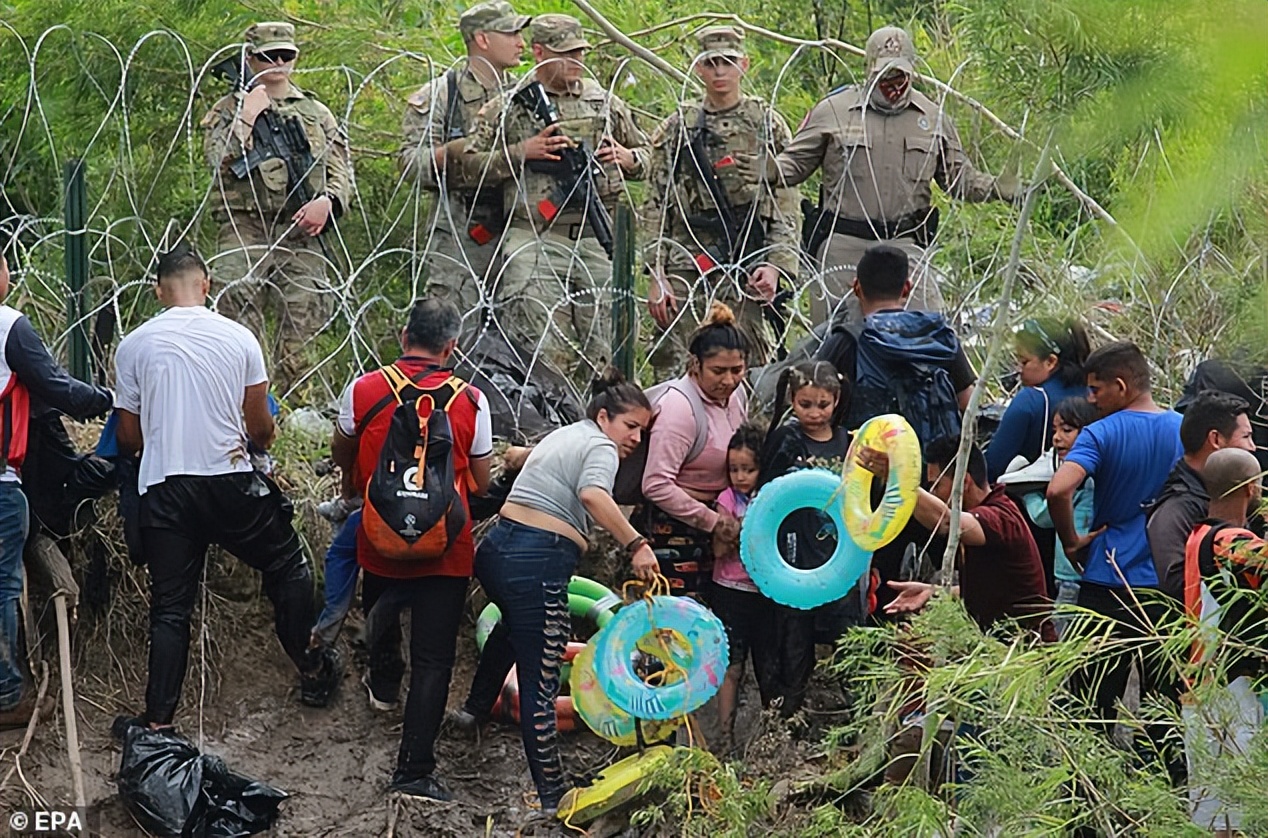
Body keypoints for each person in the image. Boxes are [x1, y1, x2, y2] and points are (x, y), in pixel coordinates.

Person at [112, 245, 339, 729]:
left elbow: (128, 437)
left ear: (158, 292)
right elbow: (259, 430)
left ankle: (157, 723)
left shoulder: (133, 344)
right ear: (207, 284)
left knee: (171, 609)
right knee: (286, 564)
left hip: (166, 489)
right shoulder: (240, 338)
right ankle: (311, 665)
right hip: (231, 480)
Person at [452, 370, 657, 814]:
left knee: (510, 632)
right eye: (631, 426)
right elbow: (593, 496)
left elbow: (513, 455)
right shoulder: (601, 446)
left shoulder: (568, 434)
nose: (637, 437)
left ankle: (471, 712)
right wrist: (637, 544)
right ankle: (552, 797)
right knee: (541, 677)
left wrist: (528, 454)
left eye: (643, 429)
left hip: (498, 551)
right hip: (535, 561)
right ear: (604, 417)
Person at [744, 26, 1017, 326]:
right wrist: (772, 170)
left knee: (926, 332)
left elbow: (958, 179)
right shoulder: (834, 112)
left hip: (904, 245)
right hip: (844, 245)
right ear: (868, 69)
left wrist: (997, 188)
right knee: (836, 341)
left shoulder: (932, 119)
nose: (893, 83)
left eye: (900, 74)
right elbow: (795, 166)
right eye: (885, 73)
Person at [330, 297, 492, 801]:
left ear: (404, 336)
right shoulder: (472, 400)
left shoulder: (364, 389)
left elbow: (343, 449)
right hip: (445, 547)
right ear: (452, 347)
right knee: (435, 660)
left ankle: (382, 687)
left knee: (380, 606)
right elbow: (482, 482)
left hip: (380, 535)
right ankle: (414, 770)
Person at [460, 14, 648, 385]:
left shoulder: (602, 102)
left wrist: (630, 158)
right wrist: (521, 152)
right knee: (539, 345)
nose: (576, 61)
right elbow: (466, 167)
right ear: (539, 53)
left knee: (610, 342)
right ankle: (543, 426)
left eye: (579, 52)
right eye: (566, 54)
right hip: (534, 235)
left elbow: (651, 153)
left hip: (595, 236)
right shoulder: (507, 106)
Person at [1046, 341, 1184, 769]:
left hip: (1107, 584)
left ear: (1121, 386)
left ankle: (1086, 815)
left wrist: (1072, 539)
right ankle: (1164, 808)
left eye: (1095, 389)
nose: (1091, 399)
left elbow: (1057, 488)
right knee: (1165, 709)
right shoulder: (1184, 429)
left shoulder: (1101, 433)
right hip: (1166, 586)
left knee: (1091, 708)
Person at [815, 245, 975, 614]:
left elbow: (819, 405)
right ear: (908, 287)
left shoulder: (846, 341)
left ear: (856, 287)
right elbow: (968, 399)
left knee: (880, 584)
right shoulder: (939, 336)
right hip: (938, 482)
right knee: (953, 576)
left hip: (874, 485)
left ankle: (883, 650)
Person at [202, 21, 353, 397]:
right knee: (237, 320)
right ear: (250, 58)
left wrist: (328, 202)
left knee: (302, 323)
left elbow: (343, 172)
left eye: (287, 55)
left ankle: (299, 407)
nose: (279, 63)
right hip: (245, 226)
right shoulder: (227, 110)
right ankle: (242, 406)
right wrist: (247, 116)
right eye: (270, 56)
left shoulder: (316, 113)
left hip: (301, 230)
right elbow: (217, 160)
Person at [641, 26, 799, 379]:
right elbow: (656, 202)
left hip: (746, 254)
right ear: (699, 69)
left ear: (743, 64)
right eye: (711, 63)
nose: (719, 72)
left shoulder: (766, 125)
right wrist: (657, 273)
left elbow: (786, 202)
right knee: (677, 360)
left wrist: (776, 265)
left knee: (747, 360)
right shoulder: (678, 127)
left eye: (727, 62)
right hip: (687, 255)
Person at [0, 244, 113, 728]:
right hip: (2, 481)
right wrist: (110, 399)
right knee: (4, 583)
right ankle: (8, 696)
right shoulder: (8, 325)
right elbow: (56, 385)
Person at [398, 1, 531, 321]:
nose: (521, 43)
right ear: (482, 39)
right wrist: (452, 154)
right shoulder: (442, 94)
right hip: (459, 234)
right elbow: (409, 162)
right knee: (457, 331)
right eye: (511, 33)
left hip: (517, 230)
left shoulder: (524, 96)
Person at [1180, 447, 1268, 836]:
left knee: (1218, 810)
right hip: (1227, 688)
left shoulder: (1198, 535)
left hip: (1202, 683)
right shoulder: (1226, 540)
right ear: (1251, 489)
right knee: (1236, 806)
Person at [758, 361, 852, 716]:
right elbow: (765, 496)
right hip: (793, 556)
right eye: (805, 404)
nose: (814, 413)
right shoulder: (786, 439)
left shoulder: (848, 442)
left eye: (823, 404)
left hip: (838, 557)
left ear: (837, 399)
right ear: (792, 401)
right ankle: (787, 719)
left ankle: (855, 718)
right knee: (793, 642)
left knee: (847, 637)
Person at [883, 436, 1050, 634]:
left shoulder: (1000, 517)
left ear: (964, 482)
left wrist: (900, 481)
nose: (933, 493)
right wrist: (932, 592)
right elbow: (985, 590)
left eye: (937, 485)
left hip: (1026, 650)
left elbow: (948, 523)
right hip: (995, 645)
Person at [641, 305, 750, 594]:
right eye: (718, 371)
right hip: (674, 533)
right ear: (695, 365)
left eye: (736, 370)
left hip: (721, 525)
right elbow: (655, 484)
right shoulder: (679, 409)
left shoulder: (737, 395)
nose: (728, 380)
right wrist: (712, 521)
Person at [998, 396, 1099, 637]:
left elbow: (1043, 516)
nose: (1057, 438)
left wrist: (1028, 492)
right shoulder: (1094, 475)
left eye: (1067, 429)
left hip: (1070, 575)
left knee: (1063, 643)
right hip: (1089, 574)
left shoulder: (1075, 481)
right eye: (1055, 430)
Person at [1147, 390, 1255, 601]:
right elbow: (1178, 585)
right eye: (1246, 437)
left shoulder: (1238, 492)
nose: (1252, 447)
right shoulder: (1176, 507)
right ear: (1215, 439)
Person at [708, 423, 775, 751]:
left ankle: (768, 738)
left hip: (766, 592)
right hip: (729, 590)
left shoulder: (774, 497)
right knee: (731, 667)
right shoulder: (726, 499)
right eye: (734, 469)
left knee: (767, 665)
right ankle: (725, 737)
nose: (740, 477)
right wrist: (734, 531)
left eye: (748, 469)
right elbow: (719, 549)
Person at [985, 317, 1091, 481]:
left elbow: (993, 466)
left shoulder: (1031, 400)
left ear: (1050, 361)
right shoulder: (1093, 393)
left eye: (1024, 361)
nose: (1018, 369)